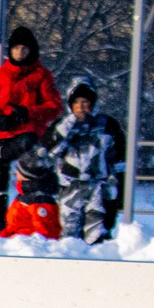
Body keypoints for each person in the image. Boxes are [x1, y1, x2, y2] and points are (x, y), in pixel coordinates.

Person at [0, 25, 61, 233]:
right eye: (16, 48)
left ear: (31, 50)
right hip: (6, 132)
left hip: (31, 134)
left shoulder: (42, 75)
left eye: (24, 48)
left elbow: (54, 107)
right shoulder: (0, 75)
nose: (20, 52)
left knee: (31, 176)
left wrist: (29, 112)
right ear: (10, 50)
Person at [51, 85, 121, 242]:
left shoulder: (107, 124)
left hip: (98, 187)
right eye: (76, 102)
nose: (81, 107)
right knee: (69, 236)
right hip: (69, 187)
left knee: (96, 234)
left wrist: (117, 189)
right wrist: (67, 127)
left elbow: (119, 158)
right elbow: (50, 150)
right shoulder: (62, 125)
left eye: (85, 102)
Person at [2, 147, 65, 239]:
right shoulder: (26, 194)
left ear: (27, 176)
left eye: (19, 170)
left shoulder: (39, 201)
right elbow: (13, 227)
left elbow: (44, 235)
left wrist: (18, 240)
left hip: (24, 247)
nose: (16, 173)